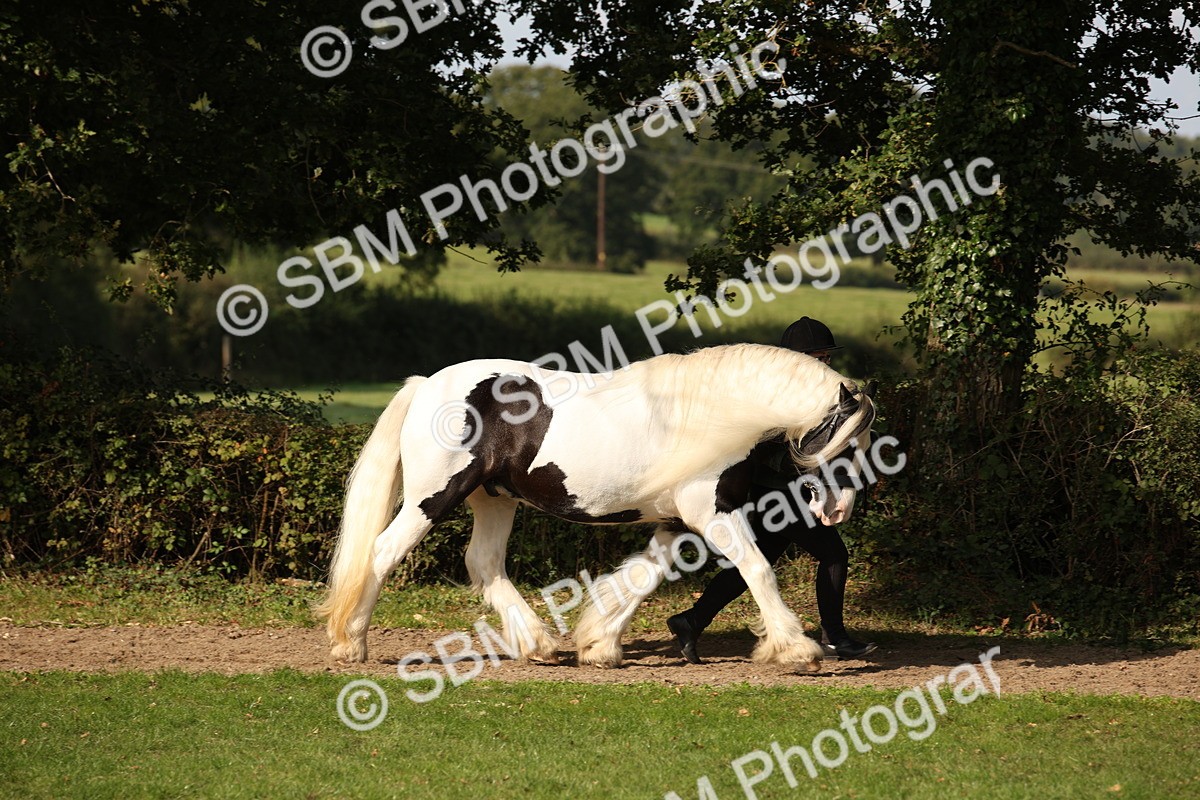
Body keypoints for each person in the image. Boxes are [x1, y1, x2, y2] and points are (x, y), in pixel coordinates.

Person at [666, 317, 877, 664]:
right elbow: (761, 451)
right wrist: (807, 474)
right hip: (777, 494)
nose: (825, 365)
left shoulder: (819, 394)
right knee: (834, 555)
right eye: (818, 358)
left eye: (826, 358)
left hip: (784, 494)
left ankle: (691, 620)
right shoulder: (777, 394)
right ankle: (835, 638)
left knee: (755, 562)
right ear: (798, 358)